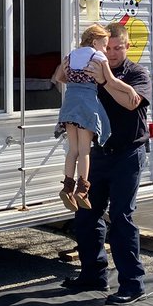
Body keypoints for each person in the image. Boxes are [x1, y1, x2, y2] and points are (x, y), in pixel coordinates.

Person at [61, 22, 148, 305]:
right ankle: (93, 274)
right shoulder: (93, 64)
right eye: (106, 47)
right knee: (86, 215)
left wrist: (106, 81)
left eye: (117, 48)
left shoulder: (137, 73)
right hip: (98, 153)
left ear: (127, 46)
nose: (110, 53)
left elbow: (130, 104)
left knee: (121, 218)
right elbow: (67, 82)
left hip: (128, 154)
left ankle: (132, 284)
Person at [51, 24, 128, 210]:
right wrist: (129, 89)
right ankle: (82, 190)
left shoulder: (70, 56)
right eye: (104, 45)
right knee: (85, 151)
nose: (106, 50)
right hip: (86, 106)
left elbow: (58, 77)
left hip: (70, 105)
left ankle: (67, 187)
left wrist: (75, 81)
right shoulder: (97, 56)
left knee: (73, 150)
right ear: (95, 42)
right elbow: (111, 81)